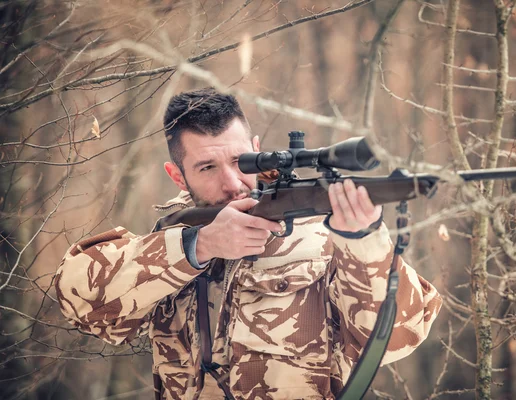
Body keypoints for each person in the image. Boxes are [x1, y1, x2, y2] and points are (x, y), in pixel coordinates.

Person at [55, 87, 442, 400]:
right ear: (177, 175)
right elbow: (79, 302)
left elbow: (397, 341)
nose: (233, 183)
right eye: (207, 167)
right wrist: (199, 247)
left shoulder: (324, 237)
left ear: (257, 146)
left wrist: (364, 240)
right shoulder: (172, 238)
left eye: (241, 161)